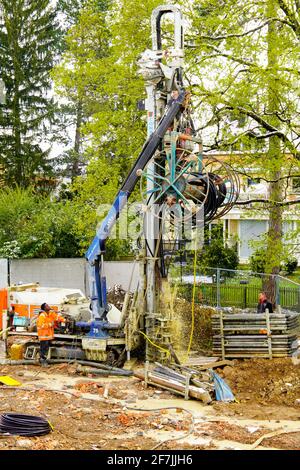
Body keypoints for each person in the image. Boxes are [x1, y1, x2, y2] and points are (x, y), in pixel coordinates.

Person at [37, 303, 65, 367]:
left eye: (48, 305)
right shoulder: (42, 315)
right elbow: (41, 325)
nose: (48, 306)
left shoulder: (50, 314)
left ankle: (43, 361)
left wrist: (64, 320)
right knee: (43, 349)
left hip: (48, 336)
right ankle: (43, 362)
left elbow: (57, 317)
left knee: (46, 349)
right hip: (43, 336)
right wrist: (50, 324)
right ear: (44, 308)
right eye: (47, 306)